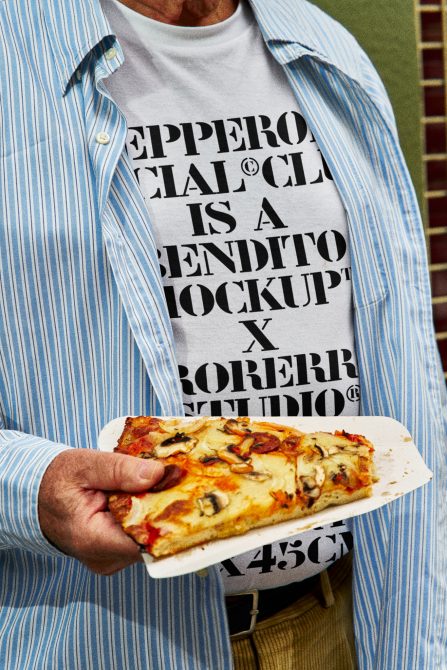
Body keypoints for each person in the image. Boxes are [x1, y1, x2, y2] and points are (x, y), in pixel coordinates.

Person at [0, 0, 446, 668]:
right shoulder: (13, 57)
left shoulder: (328, 53)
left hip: (331, 626)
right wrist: (26, 487)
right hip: (105, 642)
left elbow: (398, 365)